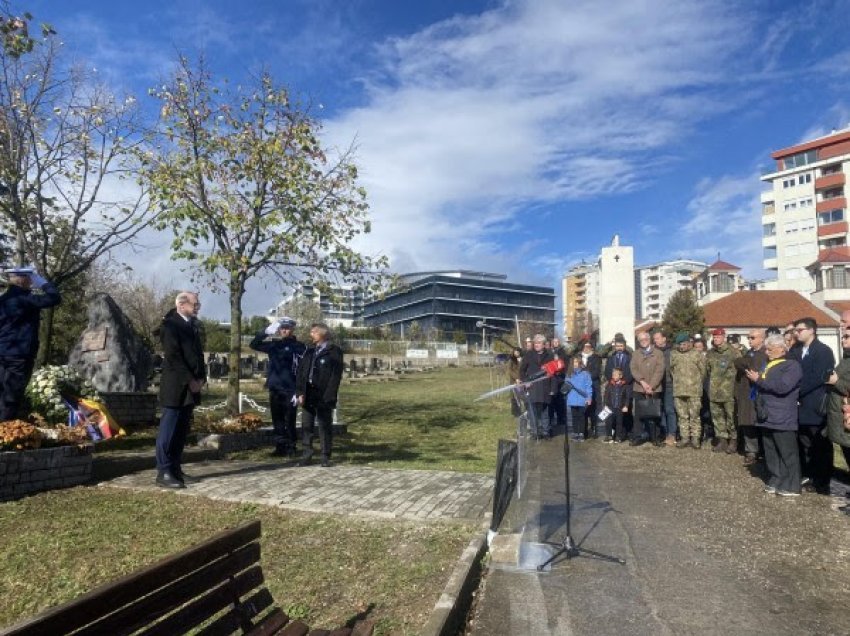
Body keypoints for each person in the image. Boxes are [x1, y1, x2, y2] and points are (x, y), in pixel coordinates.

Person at [155, 291, 206, 489]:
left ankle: (175, 468)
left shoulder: (191, 325)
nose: (198, 306)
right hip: (176, 385)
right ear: (181, 304)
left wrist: (201, 378)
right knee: (168, 431)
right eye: (195, 303)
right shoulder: (170, 325)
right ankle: (163, 470)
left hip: (191, 387)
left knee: (181, 431)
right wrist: (190, 379)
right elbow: (173, 356)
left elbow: (197, 355)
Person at [745, 333, 802, 497]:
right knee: (770, 450)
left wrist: (759, 380)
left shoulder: (791, 366)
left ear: (782, 349)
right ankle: (776, 478)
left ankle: (792, 484)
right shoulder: (767, 364)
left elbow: (783, 386)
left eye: (770, 349)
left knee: (787, 451)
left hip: (782, 415)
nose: (767, 352)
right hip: (766, 414)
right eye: (766, 349)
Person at [0, 267, 61, 421]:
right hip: (19, 356)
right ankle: (5, 437)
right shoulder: (26, 298)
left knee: (2, 394)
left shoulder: (3, 300)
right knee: (12, 398)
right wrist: (43, 283)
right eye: (30, 278)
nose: (31, 282)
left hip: (2, 353)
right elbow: (55, 298)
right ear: (23, 279)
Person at [789, 317, 835, 494]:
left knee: (820, 444)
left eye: (799, 330)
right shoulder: (796, 349)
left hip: (815, 403)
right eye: (795, 330)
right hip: (799, 406)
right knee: (804, 442)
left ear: (811, 330)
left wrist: (797, 390)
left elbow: (819, 376)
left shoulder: (823, 351)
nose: (796, 333)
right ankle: (808, 475)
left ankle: (822, 481)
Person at [249, 316, 306, 457]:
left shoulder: (300, 347)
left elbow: (302, 369)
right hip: (275, 387)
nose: (283, 331)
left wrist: (299, 390)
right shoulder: (274, 345)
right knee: (277, 419)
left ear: (292, 329)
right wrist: (267, 331)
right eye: (281, 328)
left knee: (290, 419)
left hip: (290, 388)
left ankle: (292, 446)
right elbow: (254, 344)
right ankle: (280, 446)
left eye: (286, 328)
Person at [295, 322, 344, 467]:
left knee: (324, 425)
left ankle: (325, 455)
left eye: (313, 332)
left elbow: (335, 376)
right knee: (306, 425)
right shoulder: (309, 351)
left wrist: (329, 395)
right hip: (308, 393)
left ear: (322, 334)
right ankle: (307, 453)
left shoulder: (334, 351)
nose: (311, 334)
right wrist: (300, 392)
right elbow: (301, 373)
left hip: (323, 394)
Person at [733, 329, 768, 466]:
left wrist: (745, 362)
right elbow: (739, 362)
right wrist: (744, 361)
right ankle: (751, 451)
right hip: (746, 393)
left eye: (752, 337)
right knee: (748, 422)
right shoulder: (750, 353)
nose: (749, 340)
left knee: (759, 422)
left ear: (762, 339)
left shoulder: (766, 352)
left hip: (759, 392)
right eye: (748, 337)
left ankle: (763, 451)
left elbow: (752, 365)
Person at [825, 329, 850, 515]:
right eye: (843, 337)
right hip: (839, 415)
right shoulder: (846, 359)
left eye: (847, 337)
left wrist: (835, 381)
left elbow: (847, 386)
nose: (843, 340)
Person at [706, 327, 740, 454]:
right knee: (717, 417)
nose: (716, 339)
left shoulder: (733, 352)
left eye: (718, 337)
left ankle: (733, 441)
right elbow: (708, 370)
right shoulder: (710, 353)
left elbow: (739, 369)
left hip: (728, 391)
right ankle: (722, 440)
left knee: (731, 417)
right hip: (714, 391)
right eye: (714, 337)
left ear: (724, 337)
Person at [670, 333, 706, 449]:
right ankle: (684, 438)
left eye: (684, 344)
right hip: (679, 390)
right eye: (680, 344)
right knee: (682, 416)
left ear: (689, 343)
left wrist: (695, 382)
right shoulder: (674, 354)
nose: (682, 346)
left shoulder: (697, 354)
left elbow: (703, 371)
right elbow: (672, 370)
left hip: (694, 391)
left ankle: (695, 439)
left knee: (694, 416)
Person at [630, 330, 665, 446]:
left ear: (649, 340)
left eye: (645, 339)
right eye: (640, 340)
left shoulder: (658, 353)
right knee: (638, 414)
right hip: (639, 387)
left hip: (654, 388)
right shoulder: (635, 354)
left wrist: (652, 385)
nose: (643, 342)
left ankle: (655, 437)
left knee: (654, 413)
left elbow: (660, 371)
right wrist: (643, 382)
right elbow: (633, 369)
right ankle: (638, 436)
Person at [519, 334, 556, 439]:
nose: (536, 345)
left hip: (545, 387)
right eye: (535, 343)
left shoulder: (550, 356)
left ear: (544, 345)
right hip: (532, 387)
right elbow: (522, 370)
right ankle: (535, 432)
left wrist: (553, 389)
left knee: (545, 412)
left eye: (539, 343)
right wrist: (525, 381)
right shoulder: (528, 355)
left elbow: (553, 373)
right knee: (532, 411)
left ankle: (546, 432)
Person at [653, 331, 677, 446]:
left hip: (668, 383)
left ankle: (672, 434)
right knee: (660, 410)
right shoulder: (654, 352)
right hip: (657, 385)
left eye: (657, 338)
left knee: (669, 409)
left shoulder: (672, 352)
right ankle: (664, 432)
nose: (655, 341)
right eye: (654, 339)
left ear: (664, 339)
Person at [565, 357, 593, 441]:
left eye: (577, 362)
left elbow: (589, 386)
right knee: (574, 417)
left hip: (582, 399)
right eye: (574, 362)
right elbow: (566, 386)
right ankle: (575, 432)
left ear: (580, 362)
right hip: (572, 398)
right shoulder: (569, 374)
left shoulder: (585, 374)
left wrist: (589, 397)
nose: (575, 364)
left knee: (581, 417)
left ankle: (581, 433)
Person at [579, 340, 603, 436]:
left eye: (589, 346)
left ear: (591, 348)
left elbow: (597, 371)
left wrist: (586, 378)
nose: (586, 348)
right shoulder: (578, 357)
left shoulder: (596, 358)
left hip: (593, 384)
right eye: (585, 346)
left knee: (593, 408)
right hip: (581, 386)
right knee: (583, 408)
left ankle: (594, 428)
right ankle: (583, 430)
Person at [602, 366, 632, 443]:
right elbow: (606, 396)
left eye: (616, 375)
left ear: (620, 376)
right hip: (610, 407)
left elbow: (627, 397)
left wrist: (626, 406)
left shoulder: (625, 386)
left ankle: (618, 436)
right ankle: (609, 436)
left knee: (619, 423)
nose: (614, 376)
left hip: (620, 407)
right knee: (608, 421)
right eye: (613, 374)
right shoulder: (609, 385)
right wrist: (605, 404)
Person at [547, 337, 569, 432]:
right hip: (551, 378)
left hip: (560, 378)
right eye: (554, 342)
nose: (555, 343)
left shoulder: (562, 352)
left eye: (557, 342)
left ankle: (561, 418)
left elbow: (566, 364)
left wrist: (562, 371)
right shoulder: (549, 352)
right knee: (551, 399)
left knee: (560, 399)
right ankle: (551, 418)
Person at [506, 347, 524, 417]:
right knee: (514, 397)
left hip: (521, 381)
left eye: (517, 352)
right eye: (515, 352)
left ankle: (521, 411)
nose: (516, 353)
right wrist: (516, 378)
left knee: (521, 396)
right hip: (513, 381)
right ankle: (515, 412)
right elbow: (510, 371)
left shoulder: (522, 359)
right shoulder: (511, 360)